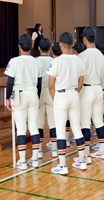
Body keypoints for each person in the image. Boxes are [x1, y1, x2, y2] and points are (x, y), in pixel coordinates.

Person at [48, 32, 86, 174]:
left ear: (59, 45)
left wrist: (56, 98)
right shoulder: (79, 60)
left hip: (61, 95)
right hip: (74, 94)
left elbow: (51, 85)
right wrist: (74, 93)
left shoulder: (56, 61)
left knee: (60, 131)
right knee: (76, 128)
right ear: (73, 44)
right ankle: (82, 161)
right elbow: (80, 83)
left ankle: (63, 165)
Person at [5, 34, 43, 169]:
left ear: (19, 46)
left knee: (21, 128)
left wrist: (7, 98)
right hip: (33, 94)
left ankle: (22, 161)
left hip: (19, 95)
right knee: (33, 127)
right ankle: (34, 159)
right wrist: (37, 98)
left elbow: (10, 83)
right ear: (31, 46)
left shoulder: (14, 61)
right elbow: (39, 83)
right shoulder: (36, 61)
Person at [76, 27, 104, 162]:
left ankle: (86, 155)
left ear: (84, 39)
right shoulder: (101, 54)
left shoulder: (82, 56)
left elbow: (78, 76)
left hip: (86, 90)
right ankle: (102, 150)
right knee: (99, 121)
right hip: (98, 88)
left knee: (85, 123)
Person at [36, 38, 58, 159]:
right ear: (50, 48)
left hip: (39, 94)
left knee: (39, 123)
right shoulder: (54, 61)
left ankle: (39, 150)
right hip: (51, 93)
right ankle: (54, 150)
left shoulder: (35, 61)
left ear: (38, 48)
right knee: (52, 123)